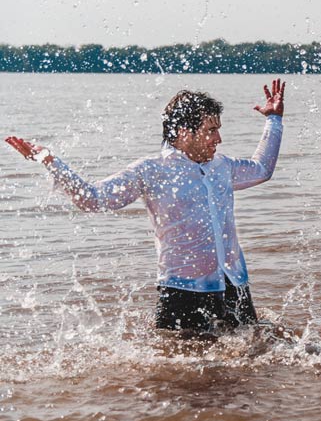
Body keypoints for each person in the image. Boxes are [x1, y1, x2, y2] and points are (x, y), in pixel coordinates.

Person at [5, 79, 286, 335]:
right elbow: (92, 198)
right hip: (182, 292)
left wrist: (274, 120)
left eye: (218, 130)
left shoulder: (222, 166)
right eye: (211, 130)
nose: (218, 139)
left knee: (251, 363)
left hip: (234, 284)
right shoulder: (151, 171)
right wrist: (50, 161)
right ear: (183, 132)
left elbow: (262, 169)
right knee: (182, 374)